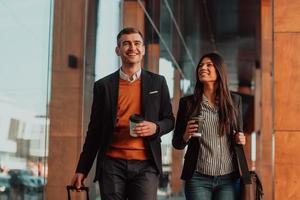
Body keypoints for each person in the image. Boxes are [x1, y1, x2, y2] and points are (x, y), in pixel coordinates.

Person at [71, 27, 174, 200]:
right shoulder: (103, 86)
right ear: (118, 50)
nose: (132, 47)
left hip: (146, 165)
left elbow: (170, 120)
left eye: (137, 43)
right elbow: (94, 131)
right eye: (126, 43)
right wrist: (82, 169)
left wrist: (155, 127)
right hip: (112, 164)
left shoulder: (158, 82)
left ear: (143, 49)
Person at [172, 52, 251, 200]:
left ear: (219, 70)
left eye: (209, 65)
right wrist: (186, 135)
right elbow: (177, 143)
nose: (203, 68)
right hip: (197, 178)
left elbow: (238, 135)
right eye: (201, 65)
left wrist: (240, 138)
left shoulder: (234, 101)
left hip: (228, 179)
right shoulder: (188, 103)